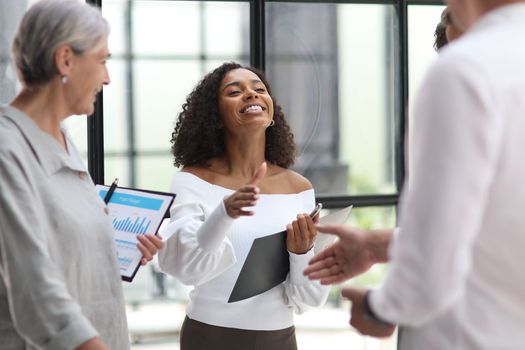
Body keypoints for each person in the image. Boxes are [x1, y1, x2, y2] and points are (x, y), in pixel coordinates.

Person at [305, 0, 525, 348]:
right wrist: (379, 245)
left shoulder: (466, 69)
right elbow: (497, 223)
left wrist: (380, 308)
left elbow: (432, 272)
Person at [0, 1, 164, 349]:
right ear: (66, 60)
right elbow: (35, 289)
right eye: (102, 60)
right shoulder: (7, 150)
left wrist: (114, 247)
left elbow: (63, 236)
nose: (107, 77)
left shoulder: (61, 139)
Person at [158, 62, 330, 350]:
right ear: (215, 116)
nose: (251, 95)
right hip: (210, 337)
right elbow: (186, 269)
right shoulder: (192, 180)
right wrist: (224, 213)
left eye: (259, 89)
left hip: (280, 340)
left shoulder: (299, 188)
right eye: (235, 91)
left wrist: (301, 254)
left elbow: (309, 299)